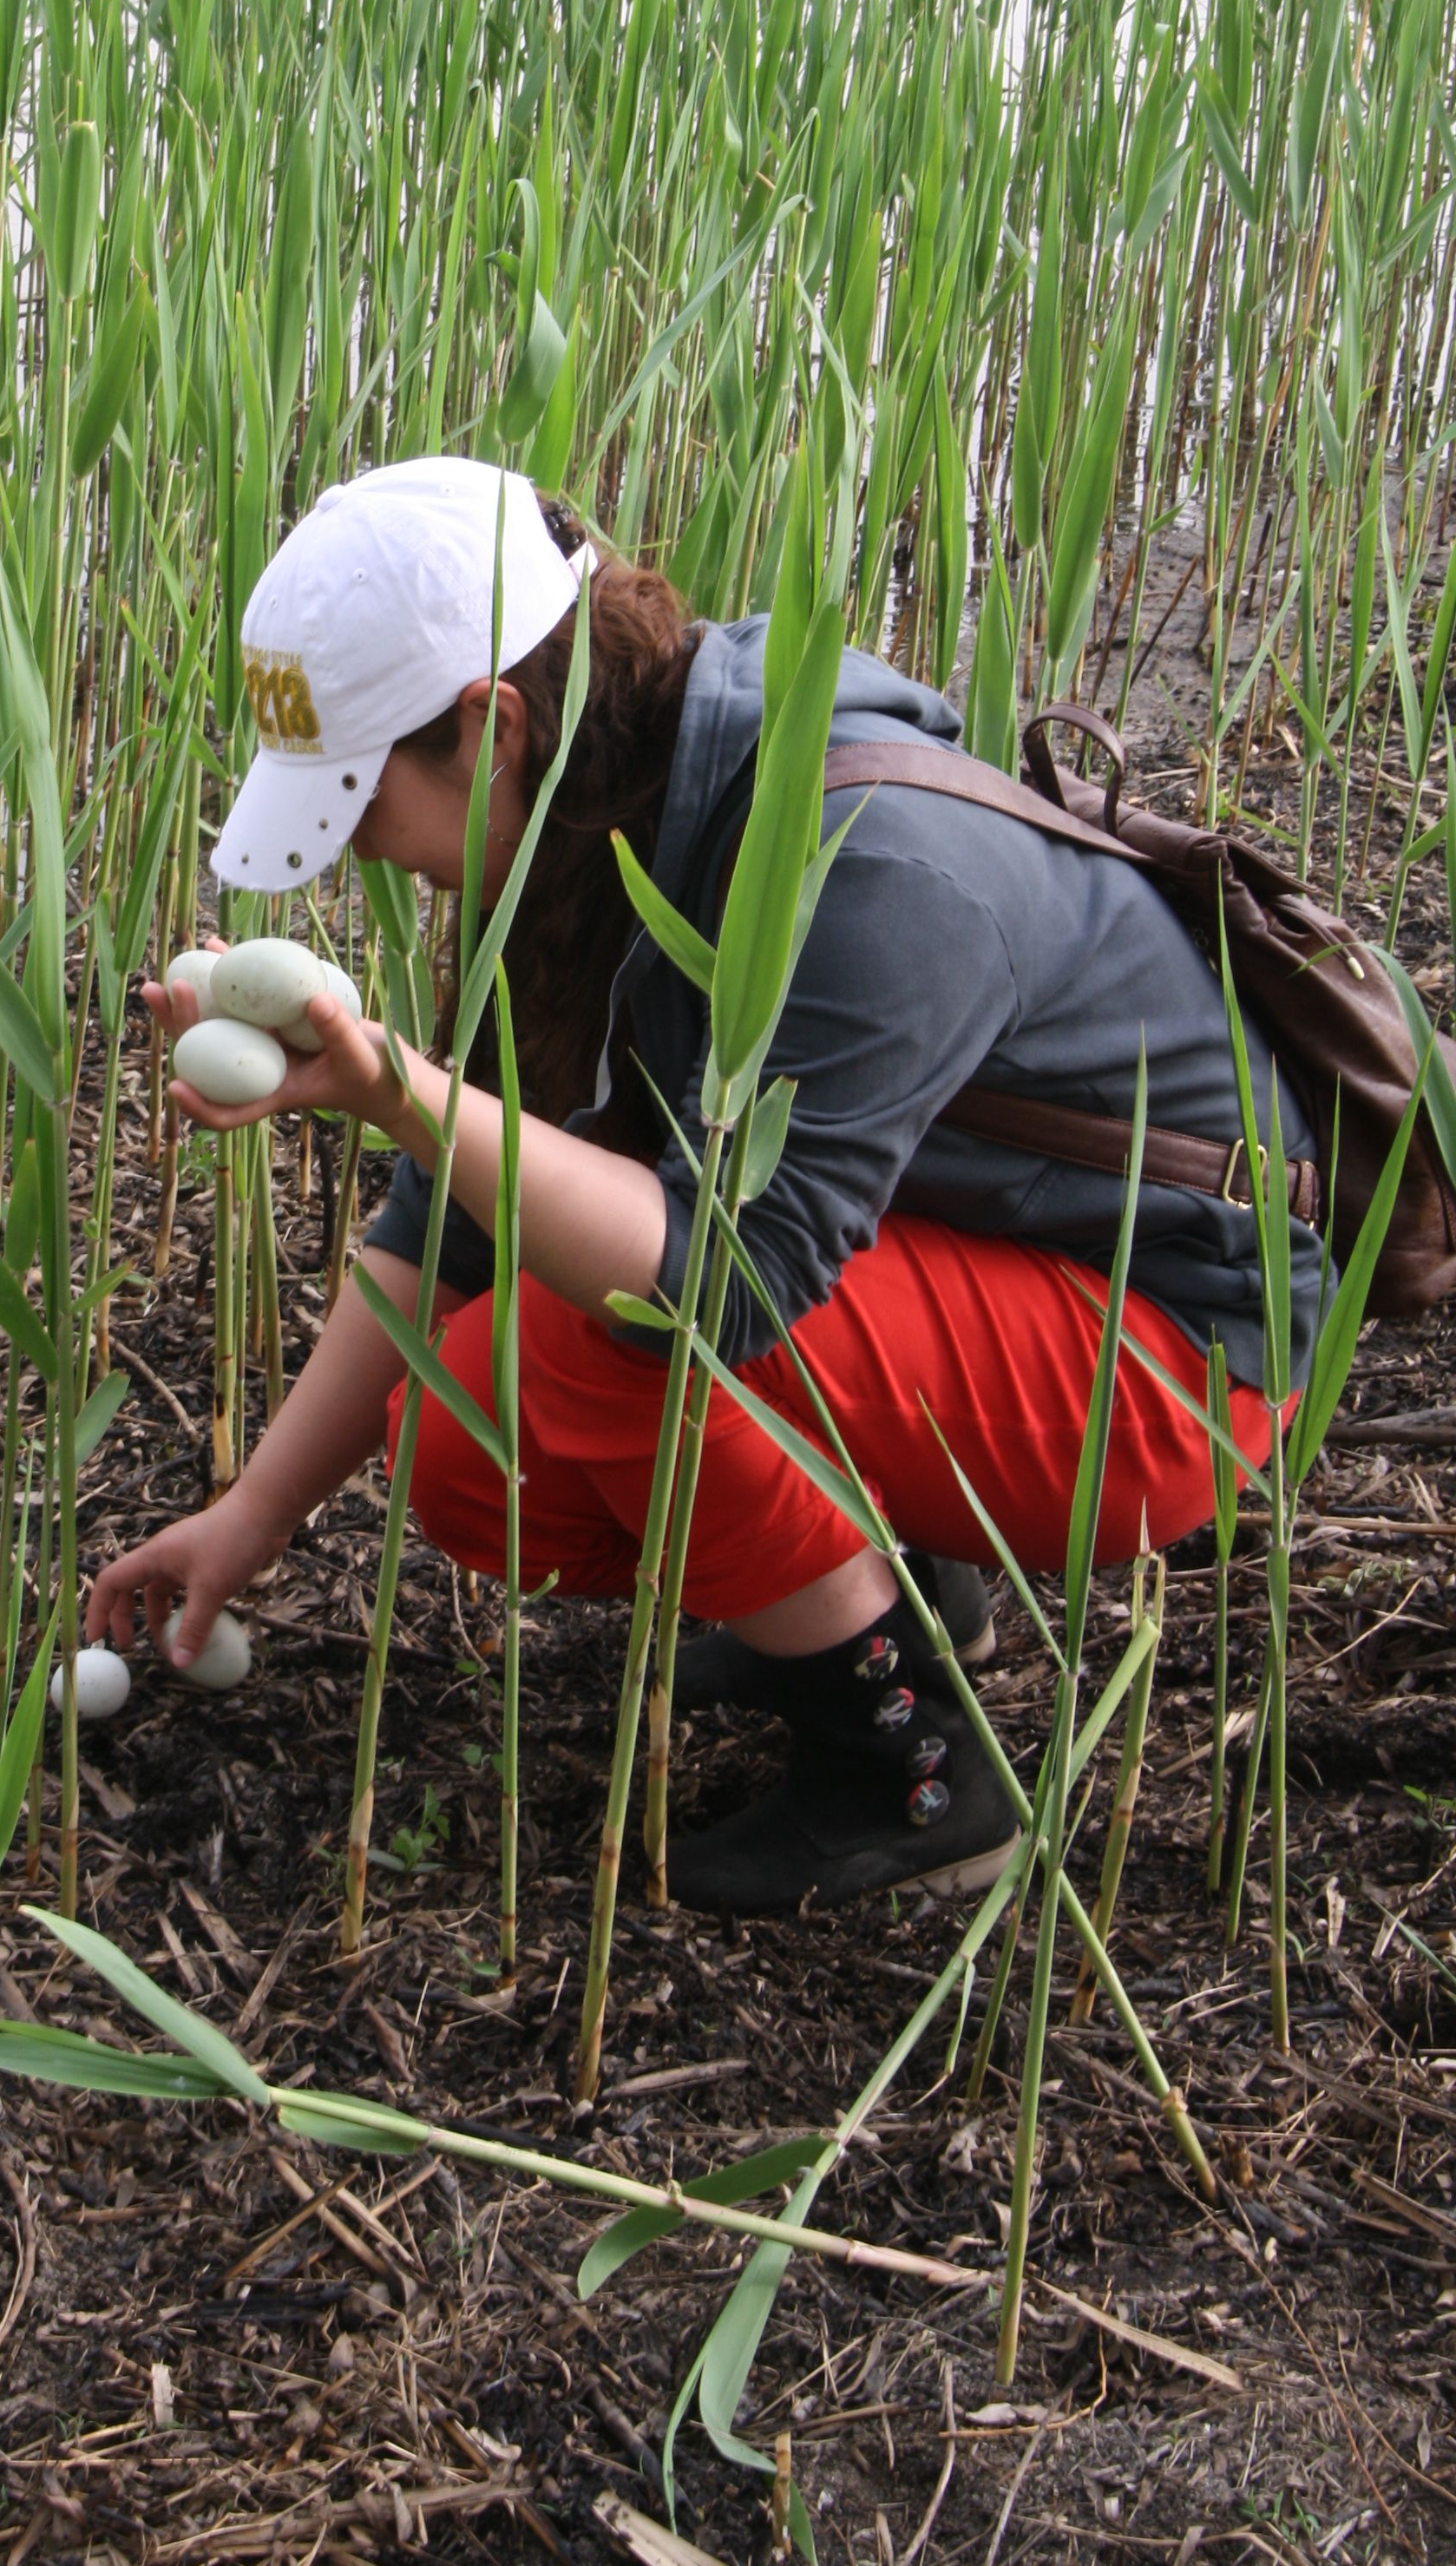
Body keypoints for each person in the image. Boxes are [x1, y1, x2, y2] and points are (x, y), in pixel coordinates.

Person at [86, 457, 1322, 1917]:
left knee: (592, 1337)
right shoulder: (583, 807)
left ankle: (915, 1775)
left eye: (358, 801)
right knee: (461, 1429)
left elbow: (709, 1284)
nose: (358, 849)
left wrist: (393, 1089)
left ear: (490, 728)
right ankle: (906, 1592)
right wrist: (253, 1516)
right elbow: (462, 1212)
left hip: (1167, 1359)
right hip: (977, 1265)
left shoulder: (859, 853)